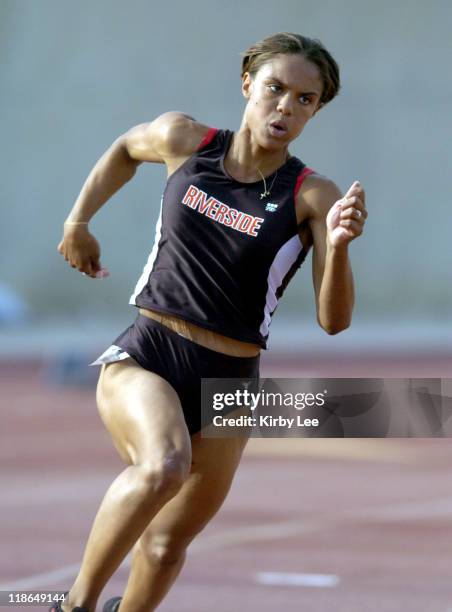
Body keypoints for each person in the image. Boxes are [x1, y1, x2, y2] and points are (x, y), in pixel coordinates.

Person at [53, 32, 367, 612]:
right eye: (276, 89)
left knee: (168, 544)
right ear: (248, 83)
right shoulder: (185, 139)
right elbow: (125, 147)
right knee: (163, 466)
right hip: (150, 354)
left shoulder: (314, 195)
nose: (285, 108)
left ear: (316, 109)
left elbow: (334, 321)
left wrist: (340, 246)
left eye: (305, 99)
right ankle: (75, 604)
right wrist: (78, 223)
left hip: (231, 382)